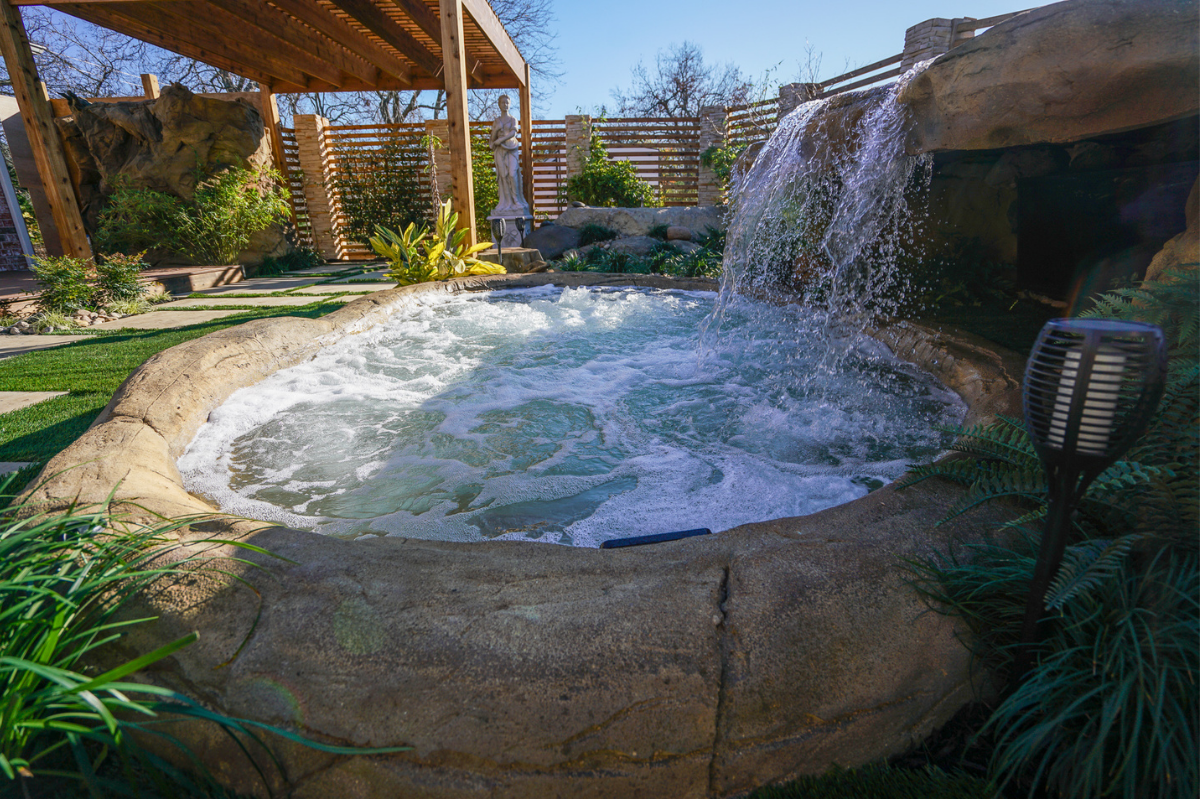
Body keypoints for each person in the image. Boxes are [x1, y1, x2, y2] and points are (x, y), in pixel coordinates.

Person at [489, 95, 529, 214]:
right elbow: (492, 139)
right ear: (499, 104)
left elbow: (513, 133)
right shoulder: (496, 121)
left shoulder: (513, 120)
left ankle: (516, 201)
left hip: (511, 148)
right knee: (503, 176)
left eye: (507, 103)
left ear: (509, 104)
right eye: (502, 103)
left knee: (512, 174)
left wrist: (501, 140)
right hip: (499, 151)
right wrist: (496, 130)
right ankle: (506, 203)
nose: (505, 105)